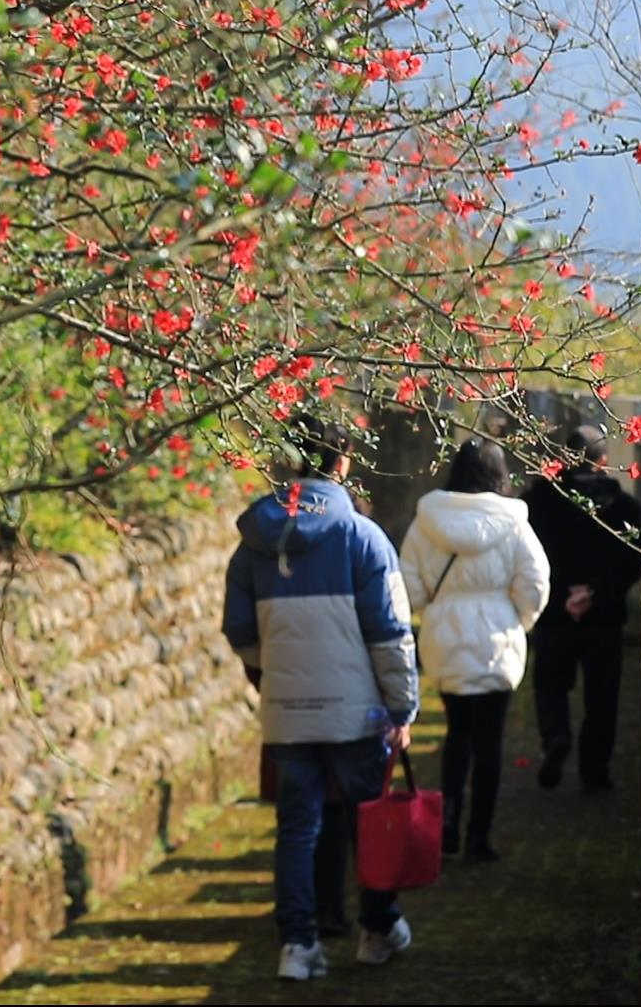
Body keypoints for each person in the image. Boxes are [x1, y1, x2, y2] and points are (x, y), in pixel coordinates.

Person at [223, 414, 419, 981]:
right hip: (356, 713)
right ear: (342, 462)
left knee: (296, 828)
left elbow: (240, 632)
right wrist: (402, 707)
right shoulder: (362, 536)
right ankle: (377, 930)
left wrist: (280, 669)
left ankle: (298, 946)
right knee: (369, 822)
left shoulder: (254, 541)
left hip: (287, 710)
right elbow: (388, 633)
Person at [399, 438, 549, 862]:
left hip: (444, 637)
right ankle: (478, 837)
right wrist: (518, 620)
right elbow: (535, 582)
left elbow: (407, 582)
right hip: (497, 640)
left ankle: (446, 824)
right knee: (489, 742)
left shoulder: (427, 520)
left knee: (457, 734)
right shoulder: (514, 523)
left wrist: (434, 607)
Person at [522, 425, 641, 793]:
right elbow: (631, 564)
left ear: (562, 460)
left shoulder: (537, 503)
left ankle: (557, 735)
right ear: (603, 462)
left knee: (549, 687)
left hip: (553, 614)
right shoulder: (625, 506)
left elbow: (527, 559)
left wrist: (562, 595)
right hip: (603, 618)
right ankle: (595, 771)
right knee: (602, 698)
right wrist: (593, 593)